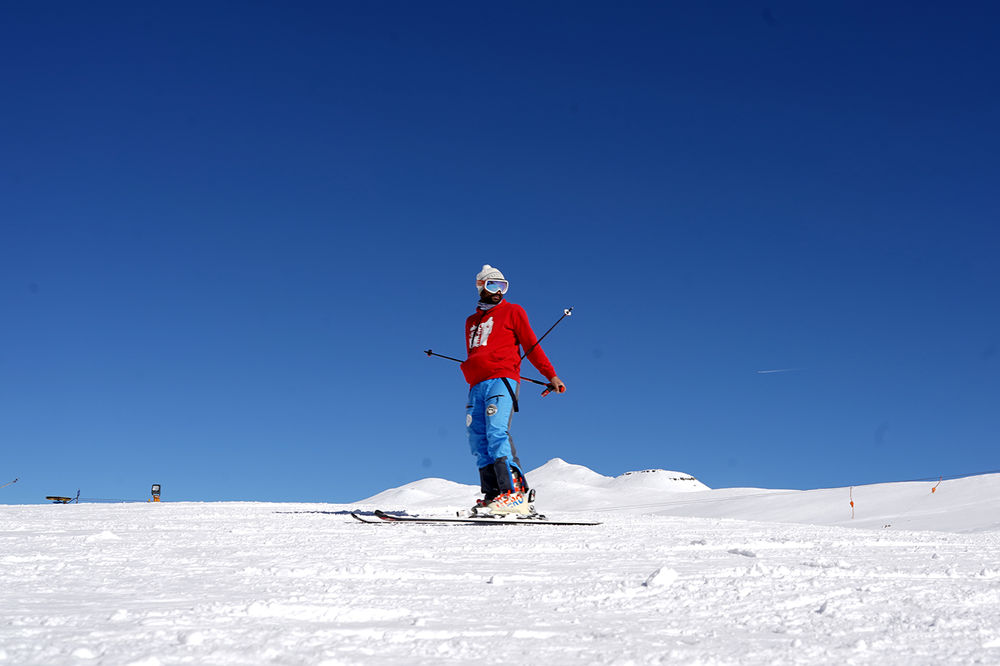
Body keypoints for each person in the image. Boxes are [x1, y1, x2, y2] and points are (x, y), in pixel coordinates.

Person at [460, 264, 566, 515]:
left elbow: (531, 345)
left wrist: (551, 375)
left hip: (501, 379)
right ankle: (493, 495)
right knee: (477, 437)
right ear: (481, 287)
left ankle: (515, 494)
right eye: (492, 285)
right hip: (476, 385)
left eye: (503, 286)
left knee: (496, 431)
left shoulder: (513, 311)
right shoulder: (471, 321)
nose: (498, 291)